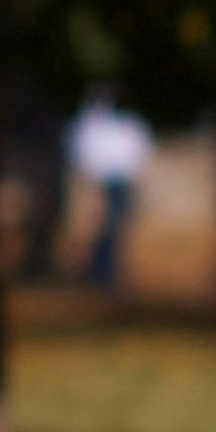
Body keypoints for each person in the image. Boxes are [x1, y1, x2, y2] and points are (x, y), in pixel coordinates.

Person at [67, 87, 149, 293]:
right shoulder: (90, 124)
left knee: (115, 227)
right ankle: (101, 270)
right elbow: (83, 153)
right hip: (100, 183)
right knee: (104, 226)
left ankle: (107, 270)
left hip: (122, 182)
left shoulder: (129, 124)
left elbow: (138, 153)